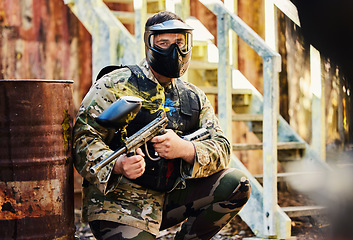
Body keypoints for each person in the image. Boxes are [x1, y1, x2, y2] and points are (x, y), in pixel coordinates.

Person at [73, 11, 251, 240]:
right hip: (121, 206)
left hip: (170, 196)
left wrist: (186, 149)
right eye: (164, 43)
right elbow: (82, 139)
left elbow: (222, 147)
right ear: (149, 44)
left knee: (237, 184)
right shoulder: (114, 84)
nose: (173, 51)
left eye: (179, 42)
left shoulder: (193, 97)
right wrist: (118, 164)